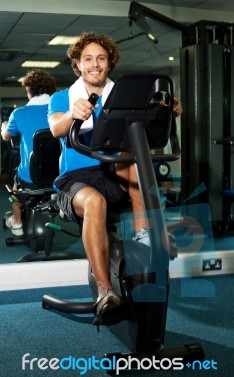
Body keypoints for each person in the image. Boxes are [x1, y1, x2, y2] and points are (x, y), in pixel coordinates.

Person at [48, 32, 182, 324]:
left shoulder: (123, 95)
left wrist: (168, 111)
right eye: (88, 59)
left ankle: (147, 249)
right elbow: (57, 128)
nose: (95, 64)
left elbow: (148, 124)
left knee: (134, 165)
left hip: (113, 168)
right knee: (95, 203)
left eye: (101, 58)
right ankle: (105, 293)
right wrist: (73, 113)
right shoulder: (62, 97)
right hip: (76, 180)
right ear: (78, 65)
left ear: (109, 63)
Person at [1, 69, 57, 236]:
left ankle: (17, 223)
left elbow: (6, 136)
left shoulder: (19, 113)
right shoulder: (61, 111)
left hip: (32, 177)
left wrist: (4, 125)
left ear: (29, 91)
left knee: (15, 187)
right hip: (60, 174)